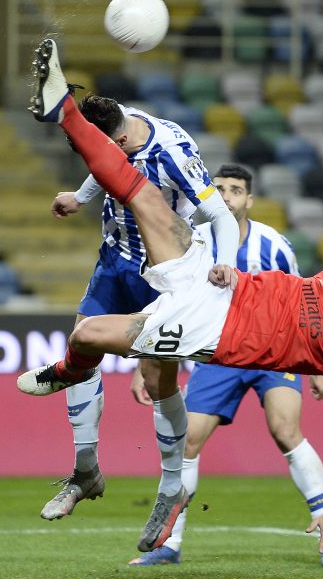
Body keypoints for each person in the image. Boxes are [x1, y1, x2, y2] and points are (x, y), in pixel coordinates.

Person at [22, 38, 323, 564]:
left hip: (210, 328)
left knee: (87, 334)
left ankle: (88, 391)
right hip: (214, 280)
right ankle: (66, 112)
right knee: (145, 196)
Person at [41, 93, 238, 528]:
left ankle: (173, 485)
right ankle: (85, 471)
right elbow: (104, 162)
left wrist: (226, 262)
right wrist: (82, 196)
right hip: (116, 258)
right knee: (81, 347)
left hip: (165, 273)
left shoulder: (172, 153)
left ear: (122, 139)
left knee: (155, 378)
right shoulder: (119, 120)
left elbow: (220, 215)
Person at [127, 163, 323, 566]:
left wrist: (319, 364)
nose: (225, 196)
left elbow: (304, 304)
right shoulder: (193, 241)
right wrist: (144, 366)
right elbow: (170, 303)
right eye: (218, 188)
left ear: (249, 199)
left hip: (273, 352)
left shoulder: (274, 244)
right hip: (217, 353)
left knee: (286, 430)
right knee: (187, 441)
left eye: (235, 190)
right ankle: (169, 544)